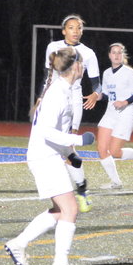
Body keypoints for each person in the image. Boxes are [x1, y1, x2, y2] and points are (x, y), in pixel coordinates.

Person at [5, 46, 96, 265]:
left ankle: (18, 243)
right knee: (70, 208)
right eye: (82, 63)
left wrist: (70, 154)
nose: (84, 68)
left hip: (49, 155)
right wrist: (79, 140)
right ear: (75, 66)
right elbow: (47, 132)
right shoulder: (58, 92)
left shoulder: (64, 90)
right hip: (44, 157)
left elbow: (57, 131)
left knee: (60, 210)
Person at [41, 14, 101, 213]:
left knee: (68, 146)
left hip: (73, 99)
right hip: (53, 98)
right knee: (51, 144)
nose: (75, 31)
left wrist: (96, 94)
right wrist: (41, 97)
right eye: (71, 27)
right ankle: (72, 188)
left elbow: (96, 84)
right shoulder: (53, 47)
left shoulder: (88, 53)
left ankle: (81, 190)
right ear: (63, 30)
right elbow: (48, 76)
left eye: (79, 28)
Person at [96, 43, 133, 189]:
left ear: (123, 55)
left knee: (115, 151)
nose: (116, 55)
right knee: (102, 149)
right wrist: (98, 96)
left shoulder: (129, 73)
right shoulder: (107, 73)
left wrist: (125, 102)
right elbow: (107, 95)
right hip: (110, 113)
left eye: (119, 52)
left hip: (125, 114)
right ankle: (116, 182)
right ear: (109, 55)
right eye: (113, 52)